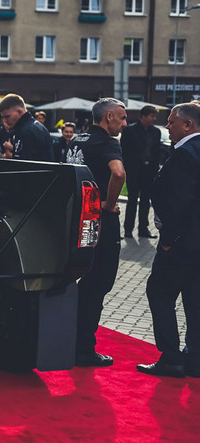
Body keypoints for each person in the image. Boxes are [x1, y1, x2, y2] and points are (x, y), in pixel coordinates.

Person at [136, 102, 200, 378]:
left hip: (181, 244)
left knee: (160, 293)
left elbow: (179, 202)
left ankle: (171, 357)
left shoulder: (185, 152)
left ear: (188, 125)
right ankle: (195, 360)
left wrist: (167, 239)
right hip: (195, 244)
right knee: (195, 300)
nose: (167, 126)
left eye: (172, 122)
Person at [64, 98, 127, 366]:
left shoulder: (76, 140)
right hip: (100, 223)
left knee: (79, 281)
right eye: (122, 118)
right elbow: (119, 173)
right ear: (109, 117)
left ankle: (69, 340)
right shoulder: (109, 143)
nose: (125, 123)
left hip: (74, 222)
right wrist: (109, 204)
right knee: (98, 283)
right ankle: (84, 349)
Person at [120, 105, 161, 239]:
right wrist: (126, 169)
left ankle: (143, 229)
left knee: (145, 201)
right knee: (132, 200)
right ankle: (128, 229)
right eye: (152, 116)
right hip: (133, 171)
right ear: (143, 116)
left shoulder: (156, 132)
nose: (154, 119)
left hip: (149, 172)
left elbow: (157, 152)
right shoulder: (129, 130)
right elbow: (124, 151)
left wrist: (155, 170)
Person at [0, 94, 54, 161]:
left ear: (19, 112)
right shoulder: (38, 127)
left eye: (7, 116)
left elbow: (24, 164)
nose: (5, 121)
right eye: (3, 117)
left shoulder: (25, 132)